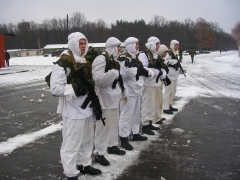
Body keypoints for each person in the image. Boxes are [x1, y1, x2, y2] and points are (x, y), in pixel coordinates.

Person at [50, 32, 101, 180]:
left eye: (85, 43)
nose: (83, 46)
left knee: (87, 139)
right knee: (71, 142)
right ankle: (70, 172)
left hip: (86, 108)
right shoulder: (63, 62)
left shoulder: (83, 60)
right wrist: (75, 88)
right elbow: (55, 88)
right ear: (73, 44)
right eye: (80, 43)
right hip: (72, 110)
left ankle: (84, 163)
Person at [92, 37, 128, 166]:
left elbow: (118, 79)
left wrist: (123, 91)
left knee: (113, 124)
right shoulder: (101, 59)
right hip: (104, 100)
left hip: (113, 99)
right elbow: (98, 79)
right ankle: (99, 153)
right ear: (112, 47)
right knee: (103, 128)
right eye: (118, 47)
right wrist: (113, 73)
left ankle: (112, 146)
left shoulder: (114, 61)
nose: (120, 49)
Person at [117, 37, 149, 151]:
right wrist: (134, 71)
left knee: (136, 114)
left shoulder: (134, 58)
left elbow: (140, 71)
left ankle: (135, 133)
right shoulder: (123, 58)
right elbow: (121, 75)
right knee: (126, 115)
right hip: (127, 91)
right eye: (136, 44)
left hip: (136, 90)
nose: (138, 46)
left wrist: (142, 71)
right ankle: (124, 138)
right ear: (130, 45)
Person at [138, 36, 167, 135]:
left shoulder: (155, 55)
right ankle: (145, 124)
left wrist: (162, 72)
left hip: (156, 83)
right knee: (147, 103)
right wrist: (154, 71)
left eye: (159, 44)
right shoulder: (144, 55)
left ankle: (149, 121)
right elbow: (143, 68)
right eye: (157, 44)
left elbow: (160, 66)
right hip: (148, 83)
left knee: (154, 103)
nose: (158, 46)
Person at [163, 40, 185, 115]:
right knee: (168, 91)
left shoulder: (175, 53)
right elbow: (164, 62)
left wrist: (180, 71)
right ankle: (165, 107)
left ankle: (169, 104)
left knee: (173, 92)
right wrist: (172, 61)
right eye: (176, 45)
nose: (177, 46)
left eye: (178, 45)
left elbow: (176, 65)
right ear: (172, 45)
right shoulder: (169, 53)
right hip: (169, 75)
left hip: (174, 75)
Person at [154, 44, 170, 124]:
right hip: (156, 83)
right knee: (157, 100)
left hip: (159, 83)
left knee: (159, 100)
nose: (166, 54)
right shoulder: (157, 59)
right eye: (165, 52)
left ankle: (158, 116)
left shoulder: (160, 59)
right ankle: (156, 117)